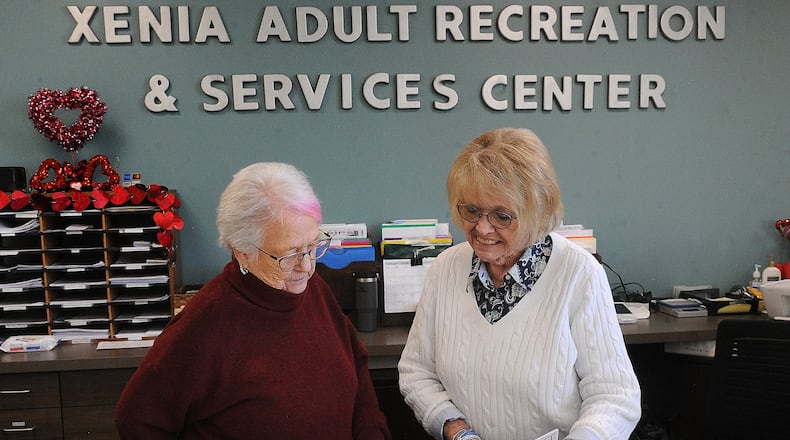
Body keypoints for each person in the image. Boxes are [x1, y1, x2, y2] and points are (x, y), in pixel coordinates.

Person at [115, 162, 391, 440]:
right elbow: (137, 421)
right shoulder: (203, 326)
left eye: (312, 246)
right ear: (242, 252)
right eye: (289, 255)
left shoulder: (314, 290)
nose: (307, 266)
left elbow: (358, 378)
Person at [398, 128, 641, 440]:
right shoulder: (445, 269)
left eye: (502, 216)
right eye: (472, 211)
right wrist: (455, 429)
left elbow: (615, 397)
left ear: (536, 213)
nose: (482, 229)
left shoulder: (578, 273)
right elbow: (417, 372)